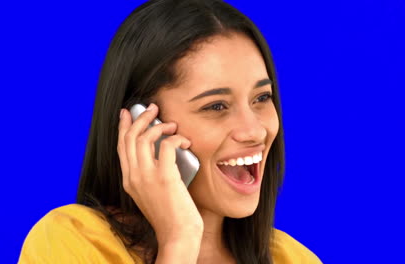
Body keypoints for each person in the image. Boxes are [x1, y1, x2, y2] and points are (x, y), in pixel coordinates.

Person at [18, 0, 323, 263]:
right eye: (216, 106)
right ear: (144, 127)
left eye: (261, 98)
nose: (255, 130)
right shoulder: (71, 242)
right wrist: (179, 242)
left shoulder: (293, 258)